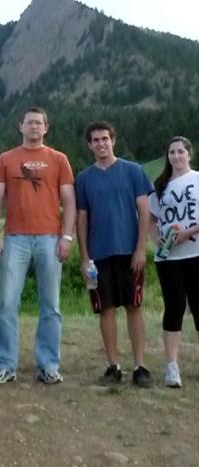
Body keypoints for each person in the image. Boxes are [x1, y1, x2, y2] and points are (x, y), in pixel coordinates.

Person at [0, 107, 75, 385]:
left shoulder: (59, 159)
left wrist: (68, 237)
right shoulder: (6, 159)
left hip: (50, 237)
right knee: (6, 303)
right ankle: (5, 364)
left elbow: (69, 200)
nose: (34, 127)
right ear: (20, 126)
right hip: (15, 239)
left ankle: (48, 365)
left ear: (46, 128)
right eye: (29, 122)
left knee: (51, 305)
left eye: (39, 123)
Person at [76, 121, 153, 387]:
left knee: (134, 306)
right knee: (105, 309)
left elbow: (144, 212)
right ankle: (113, 366)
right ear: (89, 145)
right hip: (98, 255)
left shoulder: (133, 171)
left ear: (113, 140)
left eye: (105, 139)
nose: (101, 144)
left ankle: (140, 366)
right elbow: (82, 219)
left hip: (130, 252)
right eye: (95, 140)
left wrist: (141, 249)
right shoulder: (84, 178)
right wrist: (84, 257)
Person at [149, 136, 199, 388]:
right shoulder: (161, 185)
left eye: (181, 151)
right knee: (174, 307)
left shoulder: (198, 180)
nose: (176, 156)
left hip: (195, 253)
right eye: (171, 152)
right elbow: (150, 218)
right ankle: (171, 366)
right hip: (168, 258)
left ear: (189, 154)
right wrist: (156, 239)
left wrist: (188, 233)